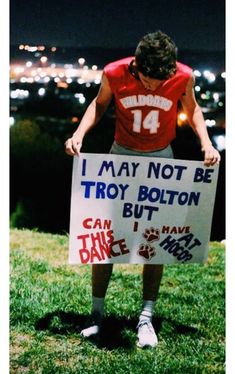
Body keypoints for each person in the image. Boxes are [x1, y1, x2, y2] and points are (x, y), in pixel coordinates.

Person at [65, 30, 220, 348]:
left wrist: (206, 143)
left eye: (159, 81)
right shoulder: (114, 72)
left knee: (157, 239)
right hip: (121, 155)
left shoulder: (183, 76)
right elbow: (100, 104)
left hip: (161, 159)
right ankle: (96, 313)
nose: (153, 86)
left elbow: (192, 110)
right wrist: (79, 133)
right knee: (106, 237)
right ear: (136, 65)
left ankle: (146, 319)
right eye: (148, 79)